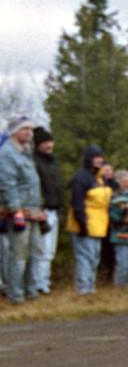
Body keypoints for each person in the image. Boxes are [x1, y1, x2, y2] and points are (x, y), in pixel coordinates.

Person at [0, 115, 44, 304]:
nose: (28, 133)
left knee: (35, 253)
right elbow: (7, 184)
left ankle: (31, 291)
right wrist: (15, 209)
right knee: (18, 255)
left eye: (30, 129)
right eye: (24, 129)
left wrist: (38, 207)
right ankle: (15, 295)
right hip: (19, 212)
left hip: (33, 210)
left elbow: (31, 183)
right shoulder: (7, 154)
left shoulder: (26, 152)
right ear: (14, 131)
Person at [66, 145, 112, 295]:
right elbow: (77, 203)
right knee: (84, 257)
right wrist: (82, 224)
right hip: (84, 224)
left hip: (98, 225)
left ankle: (90, 287)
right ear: (89, 159)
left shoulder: (100, 178)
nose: (99, 160)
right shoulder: (81, 177)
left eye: (100, 157)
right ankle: (83, 289)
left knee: (94, 257)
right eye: (95, 157)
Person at [30, 126, 62, 295]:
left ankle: (44, 281)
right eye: (45, 142)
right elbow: (36, 188)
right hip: (43, 210)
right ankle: (38, 284)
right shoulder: (35, 162)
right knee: (42, 249)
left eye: (50, 141)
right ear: (38, 144)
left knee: (49, 250)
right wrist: (39, 208)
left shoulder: (52, 162)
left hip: (54, 209)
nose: (49, 145)